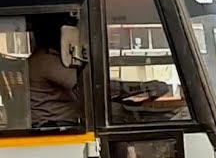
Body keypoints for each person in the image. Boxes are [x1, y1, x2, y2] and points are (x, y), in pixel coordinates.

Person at [27, 25, 170, 129]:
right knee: (118, 116)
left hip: (64, 121)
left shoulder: (48, 58)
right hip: (56, 125)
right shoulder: (45, 60)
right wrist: (142, 87)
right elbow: (92, 87)